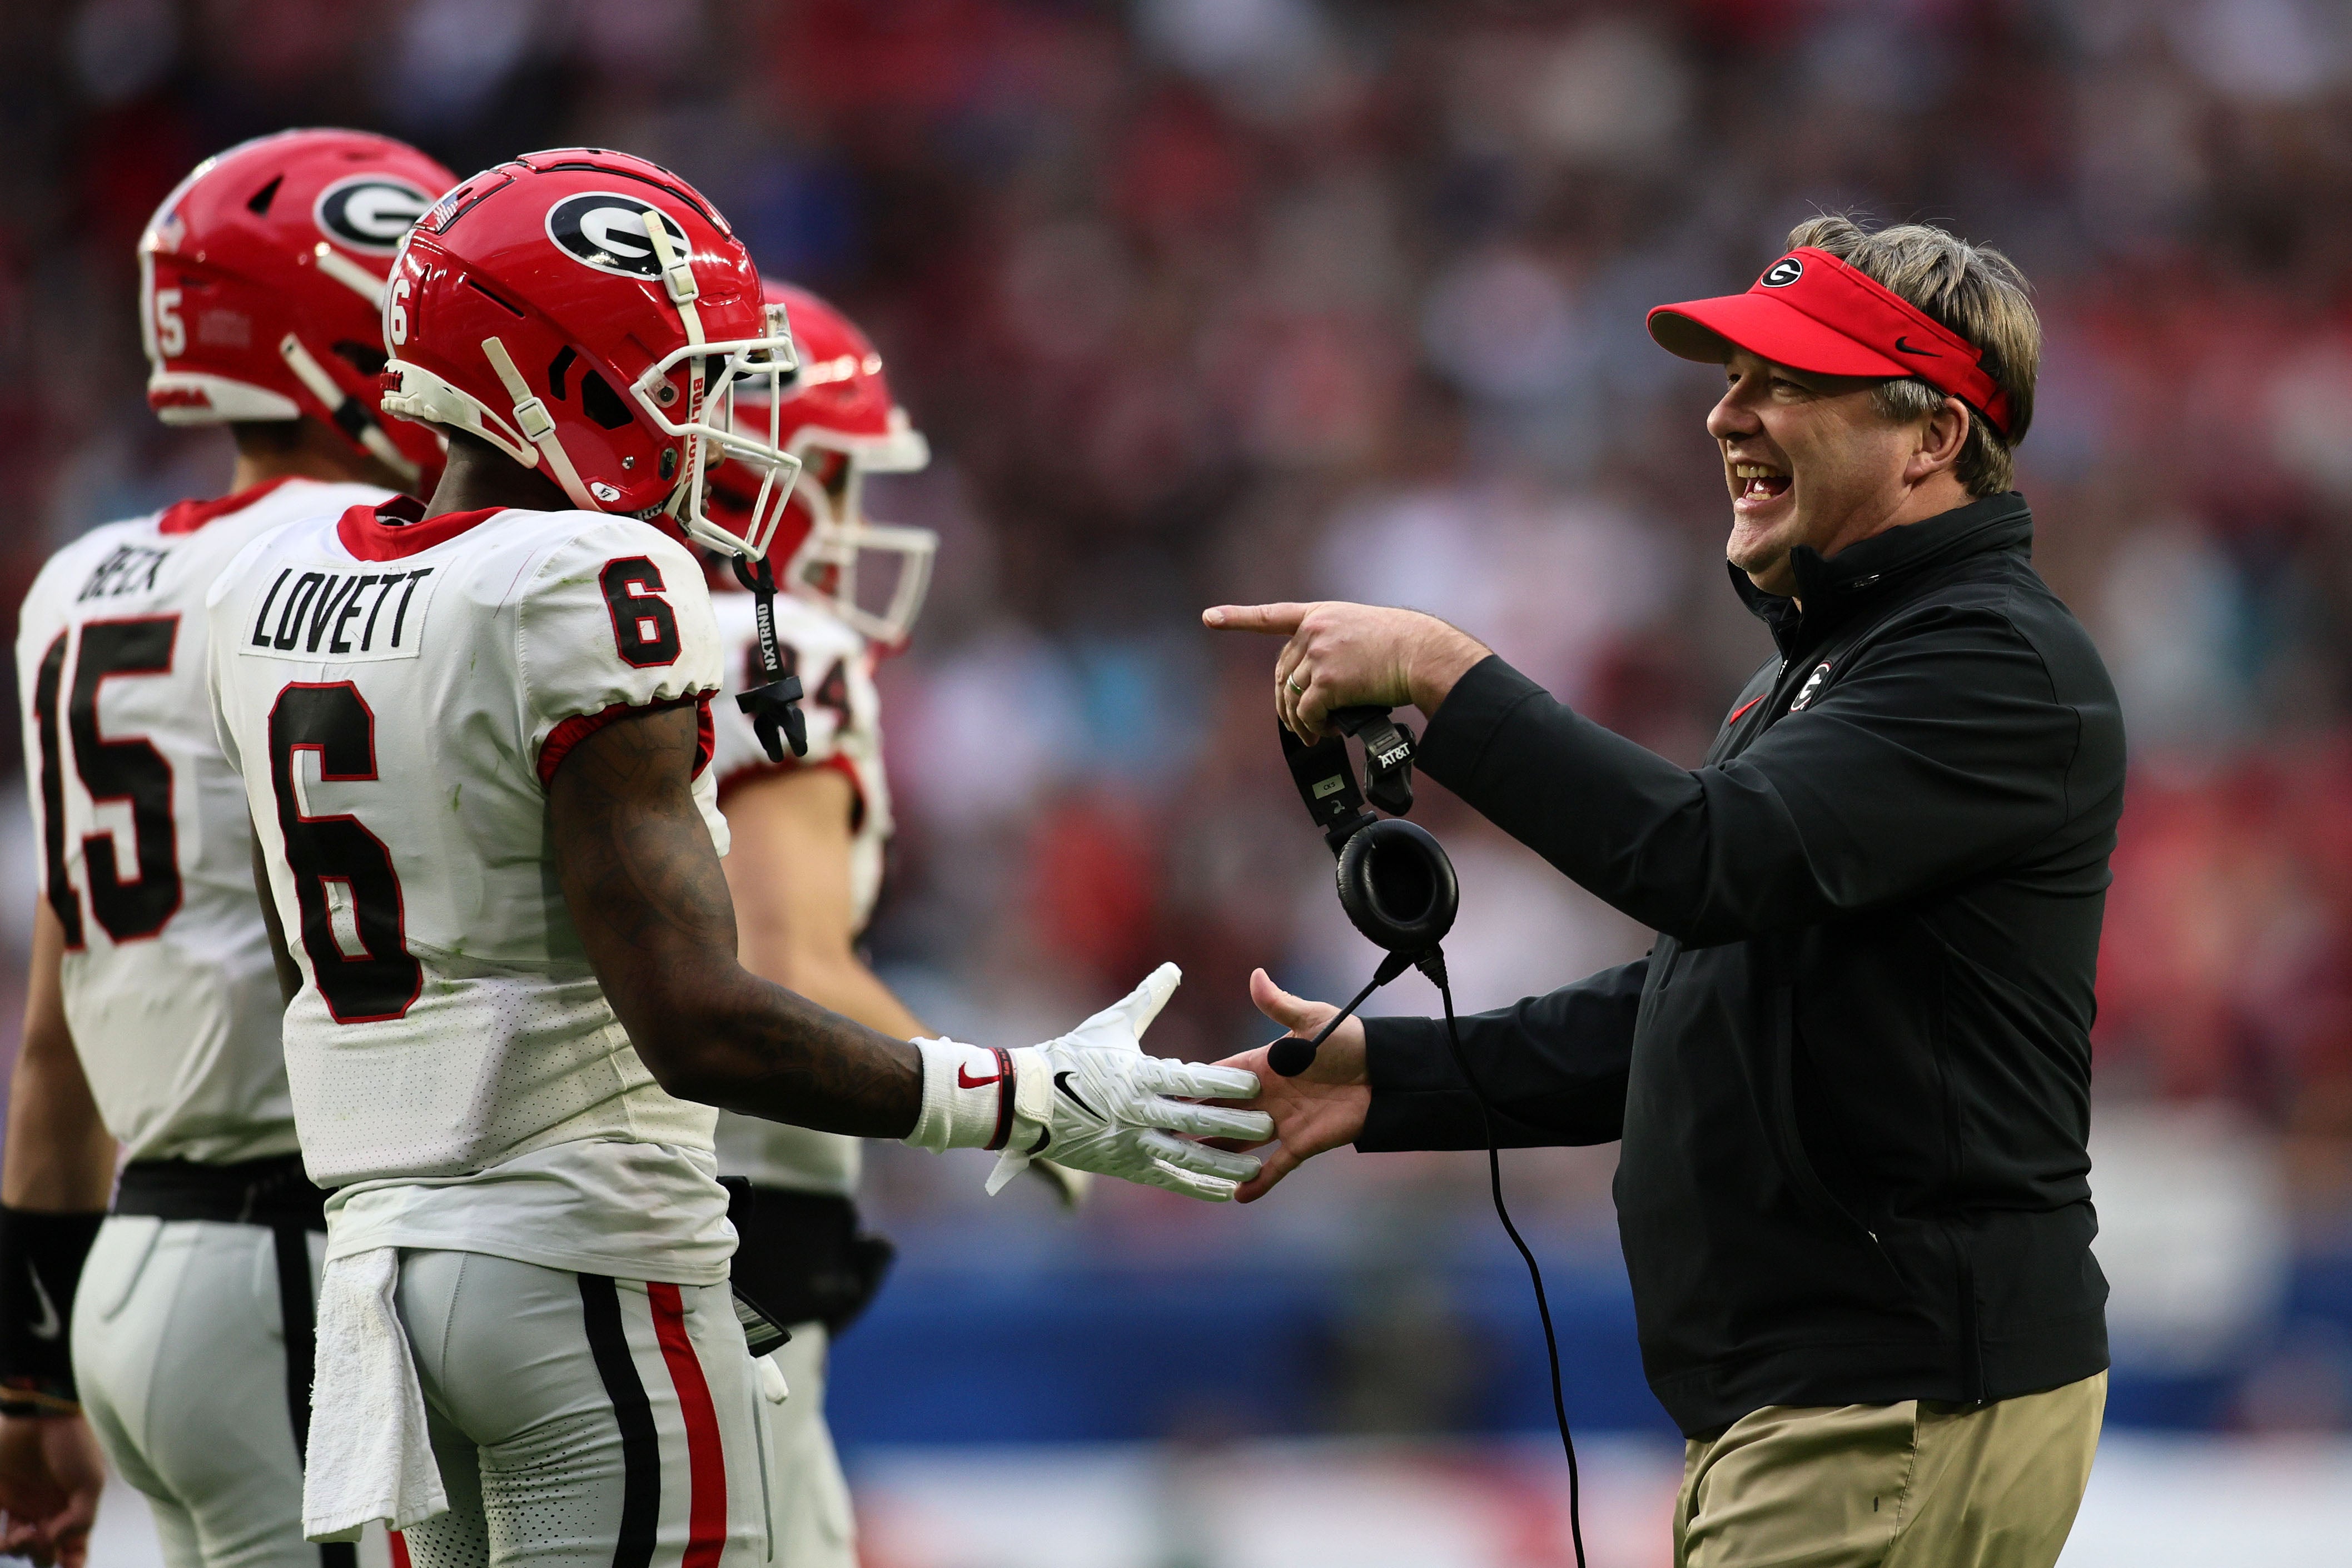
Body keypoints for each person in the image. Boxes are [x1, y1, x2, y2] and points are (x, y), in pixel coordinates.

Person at [202, 148, 1270, 1567]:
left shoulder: (267, 584)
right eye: (681, 379)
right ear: (562, 375)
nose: (717, 426)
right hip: (583, 1257)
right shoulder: (587, 579)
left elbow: (309, 974)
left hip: (381, 1272)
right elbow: (700, 1013)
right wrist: (1021, 1096)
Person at [1205, 215, 2122, 1568]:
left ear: (1931, 434)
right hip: (1839, 1409)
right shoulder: (1850, 660)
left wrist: (1448, 677)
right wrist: (1391, 1080)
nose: (1725, 415)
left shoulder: (1983, 661)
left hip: (1886, 1408)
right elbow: (1710, 997)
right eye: (1732, 378)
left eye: (1785, 383)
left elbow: (1699, 862)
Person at [0, 129, 455, 1568]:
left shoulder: (80, 577)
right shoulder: (378, 555)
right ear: (347, 328)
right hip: (298, 1257)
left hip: (143, 1259)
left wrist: (28, 1363)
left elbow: (52, 1040)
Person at [700, 278, 1085, 1568]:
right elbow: (786, 961)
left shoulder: (555, 612)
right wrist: (1028, 1102)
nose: (855, 519)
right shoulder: (767, 639)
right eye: (834, 475)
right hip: (720, 1238)